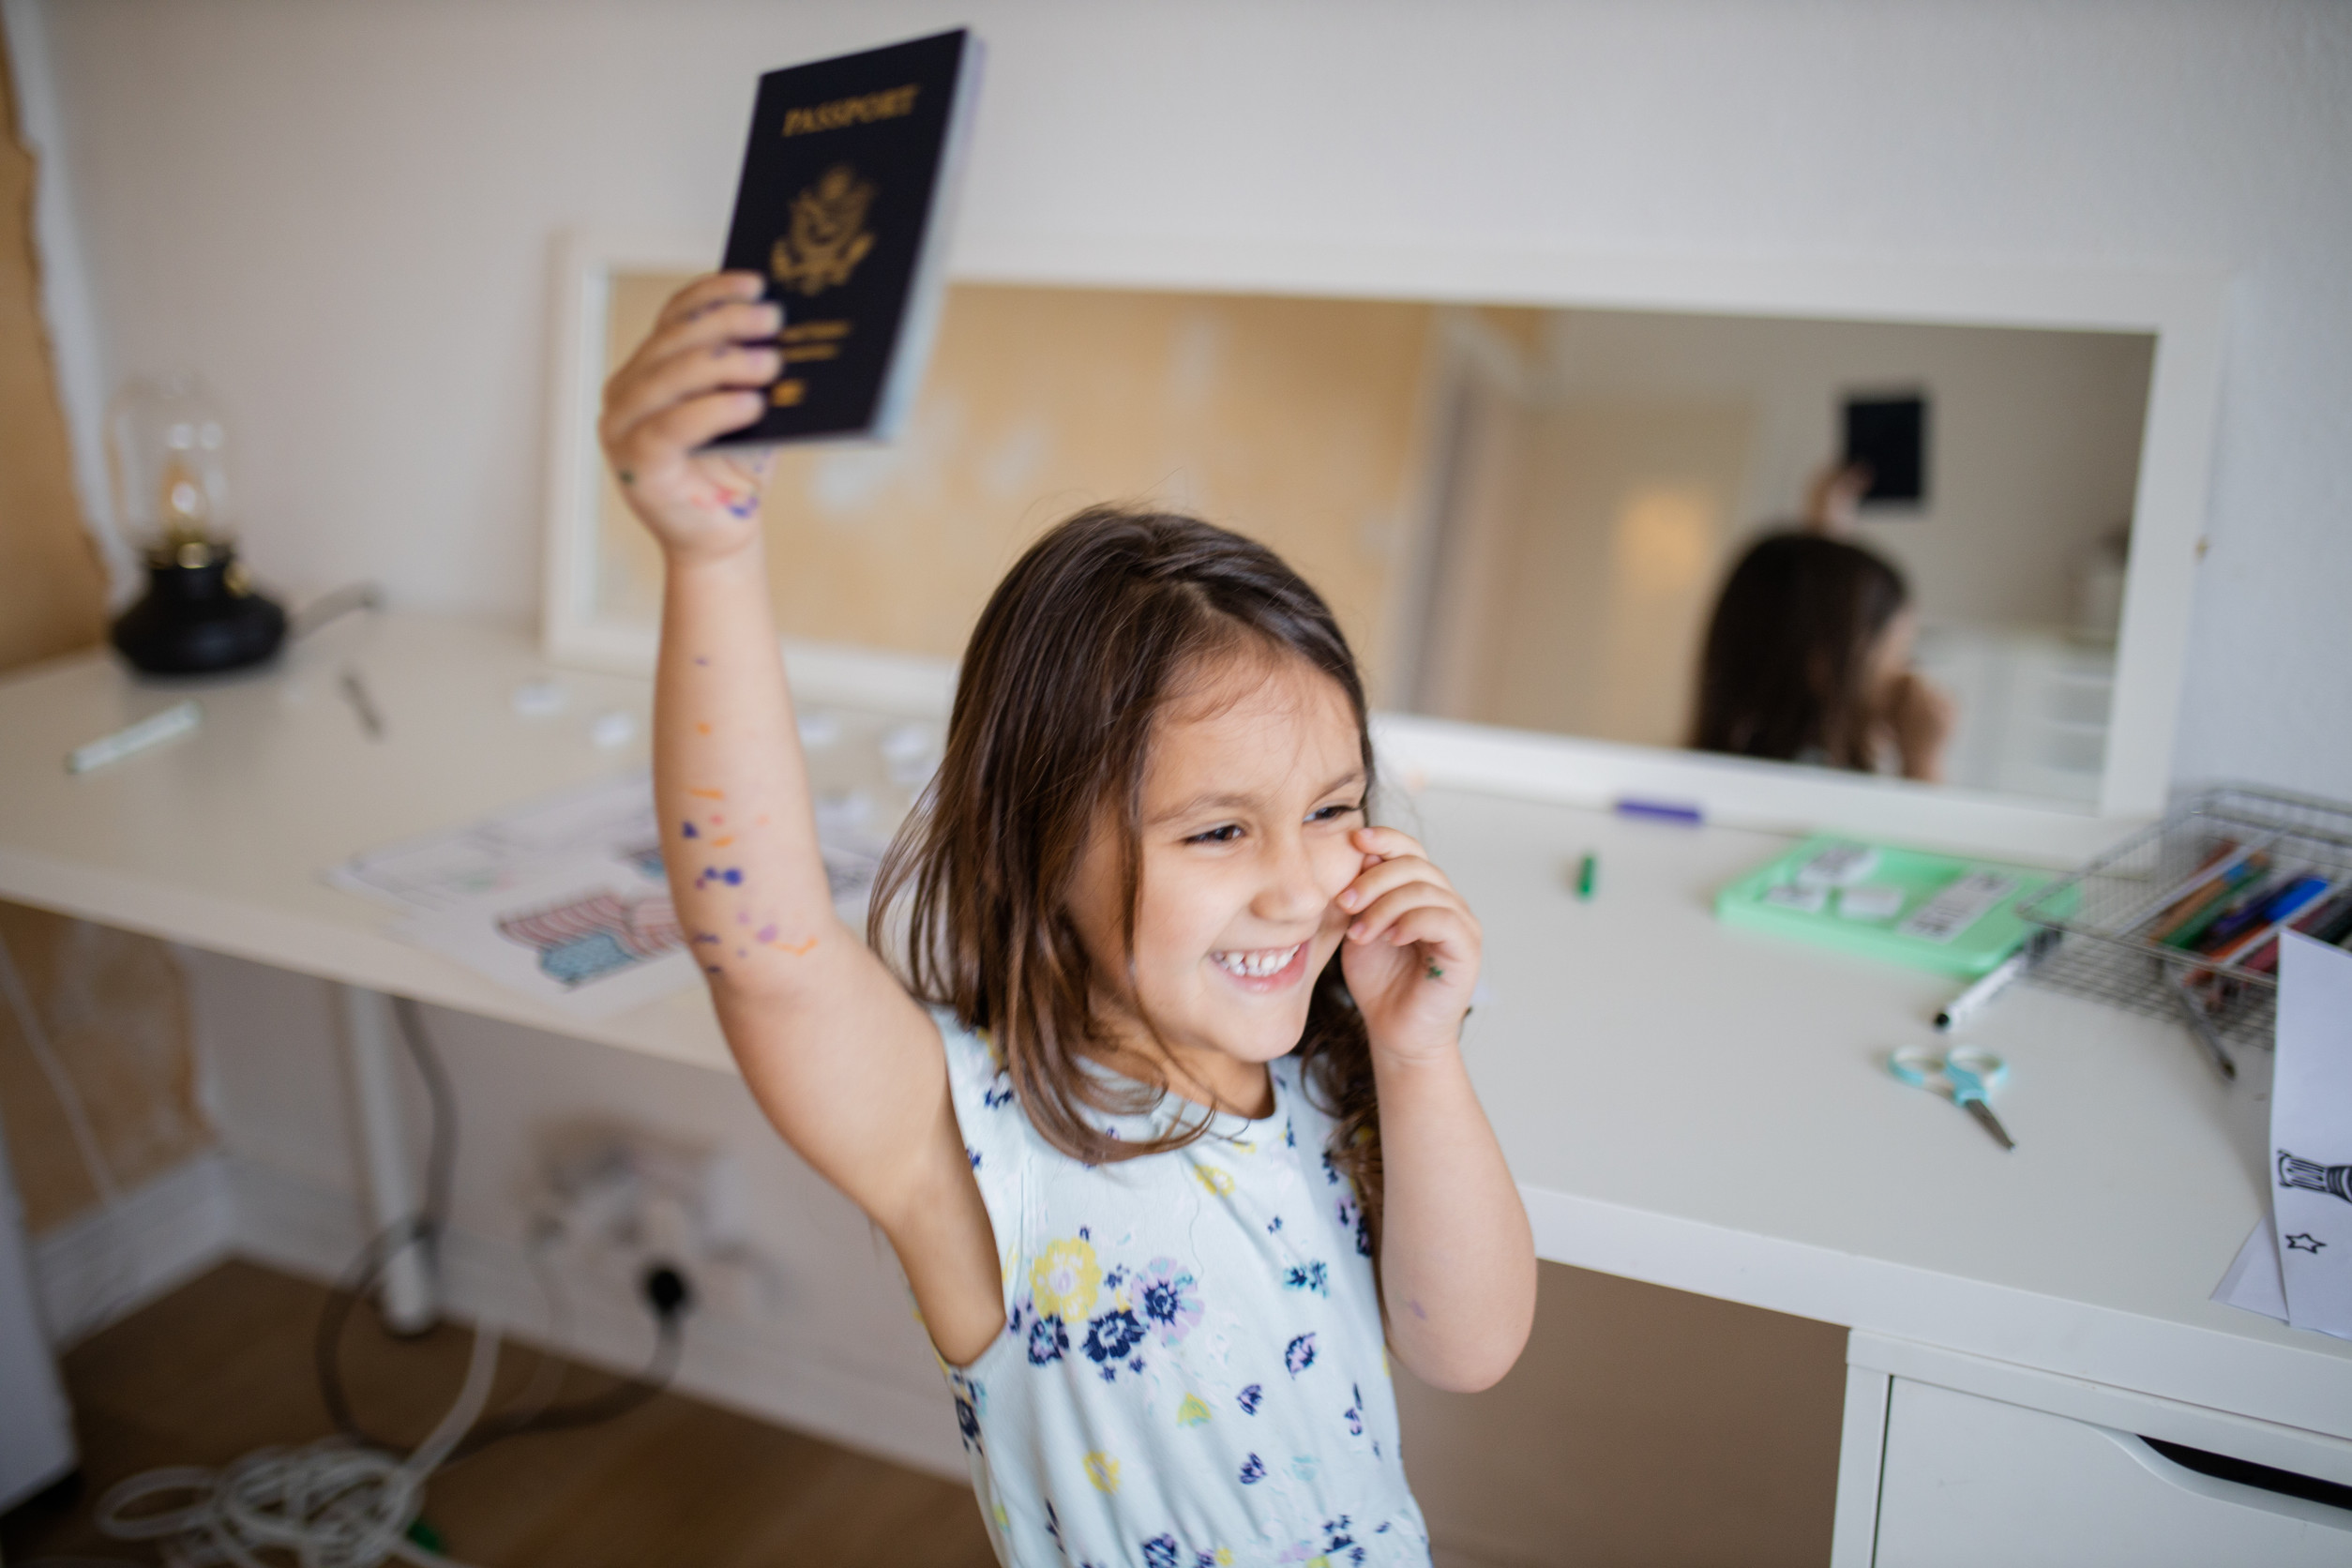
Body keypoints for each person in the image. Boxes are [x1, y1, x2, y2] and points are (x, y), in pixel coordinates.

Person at [600, 272, 1536, 1568]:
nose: (1296, 884)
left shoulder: (1330, 1077)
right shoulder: (985, 1150)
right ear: (1043, 850)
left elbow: (1469, 1347)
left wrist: (1421, 1055)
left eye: (1330, 809)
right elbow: (770, 951)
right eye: (1218, 830)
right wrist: (711, 554)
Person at [1690, 465, 1954, 783]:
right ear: (1823, 665)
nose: (1907, 676)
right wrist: (1923, 762)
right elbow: (1920, 832)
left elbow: (1811, 617)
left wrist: (1827, 530)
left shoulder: (1735, 758)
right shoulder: (1817, 785)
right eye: (1899, 656)